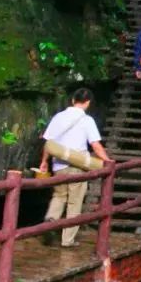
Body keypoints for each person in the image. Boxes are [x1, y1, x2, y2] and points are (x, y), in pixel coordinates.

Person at [35, 87, 111, 246]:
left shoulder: (58, 117)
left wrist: (44, 162)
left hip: (58, 166)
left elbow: (48, 143)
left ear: (72, 100)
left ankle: (51, 221)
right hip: (78, 166)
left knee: (59, 196)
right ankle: (67, 240)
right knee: (74, 203)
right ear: (88, 102)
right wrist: (107, 162)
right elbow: (95, 145)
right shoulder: (87, 120)